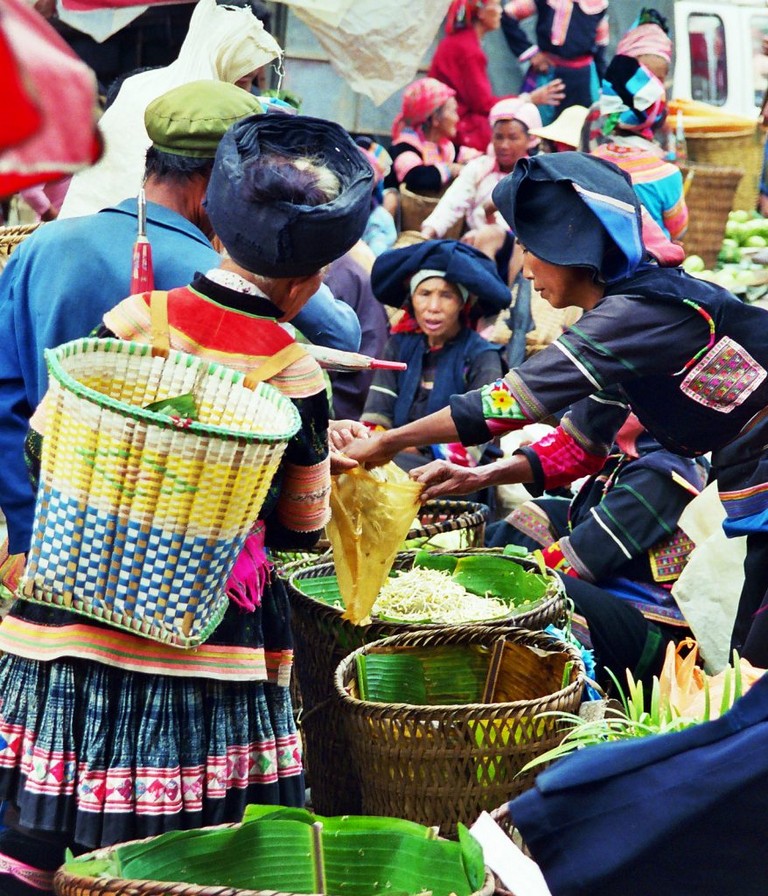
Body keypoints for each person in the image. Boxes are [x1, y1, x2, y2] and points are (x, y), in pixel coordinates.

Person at [0, 113, 374, 891]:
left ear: (222, 230)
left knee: (36, 833)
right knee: (181, 854)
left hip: (74, 601)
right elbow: (302, 531)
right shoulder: (297, 374)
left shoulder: (138, 319)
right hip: (204, 632)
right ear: (308, 281)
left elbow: (46, 445)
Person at [342, 151, 768, 673]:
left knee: (757, 664)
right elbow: (578, 446)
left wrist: (385, 443)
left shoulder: (639, 311)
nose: (523, 269)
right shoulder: (624, 326)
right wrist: (479, 474)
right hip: (752, 483)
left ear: (570, 247)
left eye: (529, 248)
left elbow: (509, 402)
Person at [0, 81, 361, 559]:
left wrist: (32, 533)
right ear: (221, 182)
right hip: (186, 570)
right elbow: (340, 332)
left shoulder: (42, 246)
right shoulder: (231, 273)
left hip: (53, 540)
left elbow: (8, 405)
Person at [487, 413, 707, 686]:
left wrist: (497, 574)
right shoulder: (629, 458)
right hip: (616, 599)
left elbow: (579, 560)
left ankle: (551, 680)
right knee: (540, 513)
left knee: (546, 583)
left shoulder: (661, 475)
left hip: (661, 643)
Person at [58, 0, 282, 219]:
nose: (243, 91)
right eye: (240, 81)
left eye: (248, 81)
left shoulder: (140, 84)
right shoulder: (192, 111)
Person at [361, 239, 510, 472]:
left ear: (463, 303)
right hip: (392, 462)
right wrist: (378, 443)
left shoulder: (483, 357)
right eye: (424, 293)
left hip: (458, 476)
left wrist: (396, 447)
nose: (433, 306)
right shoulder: (398, 347)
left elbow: (473, 444)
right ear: (412, 298)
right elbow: (375, 417)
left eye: (447, 295)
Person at [420, 97, 542, 271]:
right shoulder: (479, 167)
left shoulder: (535, 174)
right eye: (499, 137)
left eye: (513, 138)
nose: (504, 145)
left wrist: (484, 234)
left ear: (529, 139)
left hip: (520, 250)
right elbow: (453, 201)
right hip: (477, 246)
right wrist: (427, 233)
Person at [429, 0, 564, 153]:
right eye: (496, 5)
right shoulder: (468, 50)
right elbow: (483, 105)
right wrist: (529, 99)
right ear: (480, 12)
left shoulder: (461, 42)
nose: (500, 11)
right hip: (458, 125)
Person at [588, 54, 688, 241]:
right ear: (658, 118)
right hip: (649, 266)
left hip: (600, 266)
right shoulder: (666, 174)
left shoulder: (589, 163)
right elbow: (678, 231)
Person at [501, 0, 608, 124]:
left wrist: (602, 85)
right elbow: (508, 14)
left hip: (584, 79)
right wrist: (531, 53)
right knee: (540, 126)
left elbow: (600, 45)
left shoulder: (597, 4)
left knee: (581, 129)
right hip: (550, 75)